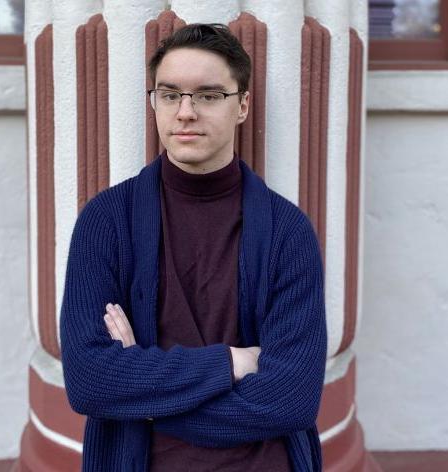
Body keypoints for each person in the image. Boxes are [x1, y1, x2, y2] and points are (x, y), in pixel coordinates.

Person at [60, 23, 327, 472]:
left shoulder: (288, 233)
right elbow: (90, 383)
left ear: (241, 105)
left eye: (207, 95)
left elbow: (291, 401)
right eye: (169, 95)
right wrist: (230, 362)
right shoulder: (106, 222)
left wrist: (145, 402)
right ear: (154, 103)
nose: (185, 112)